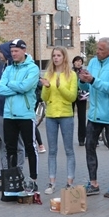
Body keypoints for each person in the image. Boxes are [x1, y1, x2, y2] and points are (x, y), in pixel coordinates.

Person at [78, 37, 109, 197]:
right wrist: (82, 81)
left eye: (100, 49)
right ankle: (93, 183)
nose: (97, 51)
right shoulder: (93, 62)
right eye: (97, 48)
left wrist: (92, 79)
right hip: (94, 114)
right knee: (89, 146)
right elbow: (87, 85)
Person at [0, 39, 41, 192]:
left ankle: (33, 179)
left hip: (26, 115)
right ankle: (12, 180)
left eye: (16, 51)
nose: (13, 54)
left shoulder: (33, 68)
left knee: (30, 147)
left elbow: (26, 86)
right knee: (10, 149)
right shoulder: (8, 69)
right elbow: (0, 89)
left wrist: (12, 85)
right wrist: (18, 87)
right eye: (12, 51)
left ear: (24, 50)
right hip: (9, 114)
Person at [41, 47, 78, 194]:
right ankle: (51, 182)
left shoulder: (72, 75)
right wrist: (48, 87)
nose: (56, 58)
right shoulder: (48, 74)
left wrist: (59, 86)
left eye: (58, 55)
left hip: (66, 115)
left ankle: (69, 182)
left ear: (64, 57)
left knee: (69, 150)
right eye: (54, 55)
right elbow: (44, 97)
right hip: (51, 115)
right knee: (52, 151)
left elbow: (72, 97)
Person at [72, 55, 88, 146]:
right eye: (76, 61)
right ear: (73, 62)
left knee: (82, 118)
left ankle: (82, 139)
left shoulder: (84, 72)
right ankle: (69, 137)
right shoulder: (70, 72)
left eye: (80, 61)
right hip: (71, 96)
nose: (78, 63)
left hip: (82, 96)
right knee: (70, 117)